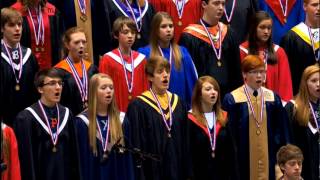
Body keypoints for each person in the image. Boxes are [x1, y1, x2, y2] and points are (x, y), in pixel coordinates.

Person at [222, 55, 291, 180]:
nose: (259, 76)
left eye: (262, 71)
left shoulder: (272, 98)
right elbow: (230, 134)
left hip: (268, 156)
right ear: (244, 74)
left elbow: (281, 129)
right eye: (254, 72)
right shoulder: (232, 99)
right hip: (243, 159)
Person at [123, 56, 191, 180]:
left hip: (177, 169)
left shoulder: (178, 103)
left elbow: (186, 141)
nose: (165, 75)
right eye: (160, 72)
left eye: (167, 71)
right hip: (152, 171)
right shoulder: (139, 106)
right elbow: (137, 145)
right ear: (150, 77)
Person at [13, 68, 81, 180]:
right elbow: (26, 161)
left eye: (60, 83)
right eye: (52, 83)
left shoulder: (67, 114)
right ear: (40, 89)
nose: (58, 87)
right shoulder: (26, 118)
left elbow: (75, 156)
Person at [75, 73, 134, 180]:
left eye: (111, 87)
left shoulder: (122, 120)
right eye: (103, 88)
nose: (108, 91)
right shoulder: (82, 123)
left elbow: (127, 161)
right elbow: (81, 160)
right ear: (93, 92)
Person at [179, 0, 242, 98]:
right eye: (216, 3)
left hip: (227, 98)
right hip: (201, 99)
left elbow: (237, 72)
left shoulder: (229, 33)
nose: (221, 7)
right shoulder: (189, 37)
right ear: (204, 4)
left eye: (223, 4)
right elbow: (186, 75)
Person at [138, 12, 198, 108]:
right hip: (154, 107)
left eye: (171, 26)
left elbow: (192, 84)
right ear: (156, 30)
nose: (168, 30)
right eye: (163, 26)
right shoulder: (145, 53)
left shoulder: (182, 53)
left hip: (179, 107)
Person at [187, 76, 237, 179]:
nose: (213, 92)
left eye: (215, 89)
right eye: (208, 89)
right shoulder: (189, 120)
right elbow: (188, 154)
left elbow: (232, 152)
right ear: (199, 94)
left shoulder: (224, 118)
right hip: (199, 174)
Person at [240, 11, 293, 103]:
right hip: (248, 105)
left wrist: (283, 106)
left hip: (273, 106)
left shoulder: (279, 52)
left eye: (269, 28)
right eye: (262, 27)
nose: (266, 31)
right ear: (254, 28)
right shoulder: (242, 51)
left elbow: (285, 84)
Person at [99, 16, 148, 112]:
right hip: (116, 112)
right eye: (125, 32)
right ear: (116, 35)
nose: (130, 36)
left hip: (138, 112)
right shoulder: (107, 59)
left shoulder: (141, 60)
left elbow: (146, 89)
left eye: (133, 32)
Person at [0, 7, 39, 126]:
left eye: (19, 25)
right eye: (11, 25)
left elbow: (35, 90)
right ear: (2, 28)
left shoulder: (28, 55)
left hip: (27, 119)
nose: (17, 29)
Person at [284, 64, 319, 180]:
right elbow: (288, 143)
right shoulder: (293, 108)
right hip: (304, 170)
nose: (318, 84)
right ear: (305, 84)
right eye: (314, 81)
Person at [55, 27, 98, 116]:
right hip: (69, 118)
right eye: (76, 42)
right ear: (67, 45)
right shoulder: (58, 71)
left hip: (91, 117)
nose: (81, 45)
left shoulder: (92, 69)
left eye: (83, 42)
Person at [280, 0, 320, 95]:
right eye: (314, 5)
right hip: (299, 98)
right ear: (305, 6)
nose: (319, 8)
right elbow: (285, 75)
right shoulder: (291, 38)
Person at [11, 0, 64, 70]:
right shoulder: (14, 11)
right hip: (24, 66)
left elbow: (60, 40)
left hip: (50, 66)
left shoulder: (53, 11)